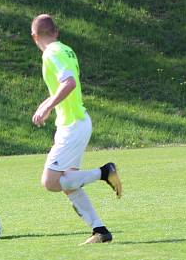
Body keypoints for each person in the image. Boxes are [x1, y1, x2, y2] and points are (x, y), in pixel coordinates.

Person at [30, 14, 122, 245]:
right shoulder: (66, 49)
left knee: (50, 182)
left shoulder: (51, 53)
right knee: (69, 183)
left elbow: (69, 82)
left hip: (72, 125)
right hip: (74, 122)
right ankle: (100, 231)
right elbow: (67, 84)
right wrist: (46, 104)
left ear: (34, 37)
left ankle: (104, 172)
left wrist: (48, 106)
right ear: (56, 32)